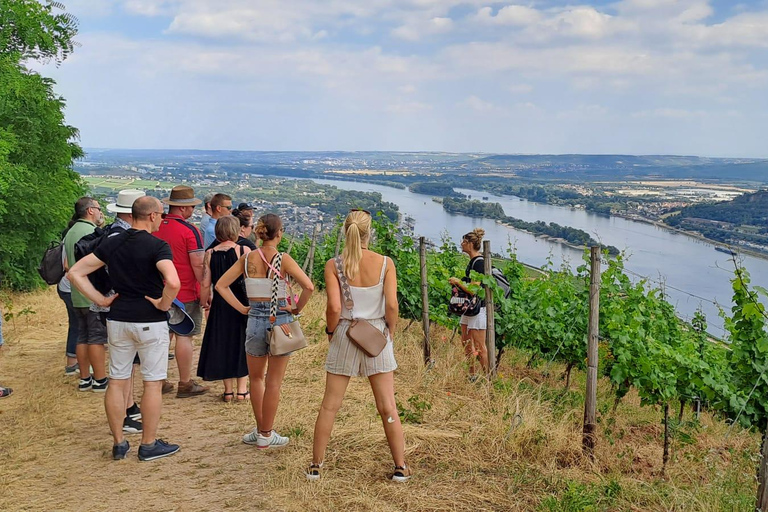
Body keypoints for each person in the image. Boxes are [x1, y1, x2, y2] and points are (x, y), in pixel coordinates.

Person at [69, 196, 182, 461]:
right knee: (152, 383)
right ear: (152, 215)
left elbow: (75, 272)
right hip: (150, 321)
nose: (162, 219)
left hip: (118, 319)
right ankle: (149, 444)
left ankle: (119, 443)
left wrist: (101, 300)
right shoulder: (158, 246)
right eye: (161, 215)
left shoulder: (112, 242)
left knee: (118, 380)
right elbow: (173, 282)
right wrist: (164, 304)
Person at [306, 209, 410, 482]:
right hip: (376, 333)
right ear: (369, 232)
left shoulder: (334, 265)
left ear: (345, 231)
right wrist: (391, 330)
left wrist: (331, 330)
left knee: (330, 405)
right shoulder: (386, 263)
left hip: (345, 331)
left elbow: (334, 306)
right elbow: (391, 305)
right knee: (387, 406)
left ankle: (316, 464)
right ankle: (400, 466)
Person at [216, 213, 313, 448]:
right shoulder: (283, 258)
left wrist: (242, 308)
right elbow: (309, 286)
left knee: (256, 379)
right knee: (274, 382)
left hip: (254, 320)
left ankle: (261, 430)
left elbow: (221, 285)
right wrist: (296, 308)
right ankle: (267, 434)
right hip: (280, 320)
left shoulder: (247, 259)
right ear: (279, 233)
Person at [154, 185, 209, 398]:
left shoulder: (156, 226)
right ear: (185, 209)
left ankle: (158, 380)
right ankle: (185, 383)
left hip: (158, 291)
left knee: (162, 337)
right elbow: (198, 265)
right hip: (184, 291)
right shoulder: (190, 230)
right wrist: (205, 289)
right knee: (184, 336)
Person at [105, 189, 147, 434]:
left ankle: (128, 409)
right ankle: (126, 412)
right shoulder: (123, 237)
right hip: (124, 306)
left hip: (114, 305)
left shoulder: (112, 233)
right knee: (123, 370)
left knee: (122, 368)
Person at [197, 216, 250, 401]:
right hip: (242, 303)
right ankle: (242, 390)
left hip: (220, 304)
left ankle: (228, 391)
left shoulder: (210, 253)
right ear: (236, 231)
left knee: (224, 344)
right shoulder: (244, 250)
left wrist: (205, 302)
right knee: (242, 343)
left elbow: (205, 283)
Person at [63, 197, 108, 392]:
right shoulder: (90, 232)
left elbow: (67, 264)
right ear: (90, 211)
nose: (100, 212)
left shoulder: (70, 231)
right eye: (98, 209)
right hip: (92, 292)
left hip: (75, 293)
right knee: (96, 338)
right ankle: (100, 379)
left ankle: (84, 378)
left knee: (82, 336)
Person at [449, 228, 488, 379]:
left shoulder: (479, 263)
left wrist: (458, 281)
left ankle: (489, 379)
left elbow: (474, 289)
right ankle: (471, 375)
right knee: (465, 342)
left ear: (471, 244)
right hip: (469, 308)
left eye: (464, 241)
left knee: (479, 346)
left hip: (478, 309)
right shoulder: (472, 262)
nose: (461, 244)